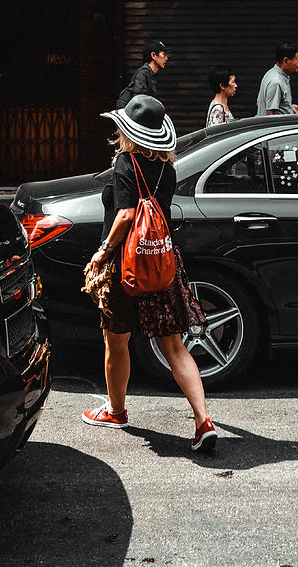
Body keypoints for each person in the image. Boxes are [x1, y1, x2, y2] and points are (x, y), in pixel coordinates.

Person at [82, 95, 217, 452]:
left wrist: (102, 252)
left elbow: (126, 215)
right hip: (160, 262)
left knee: (117, 340)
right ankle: (203, 420)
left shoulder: (126, 164)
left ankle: (116, 410)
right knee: (173, 344)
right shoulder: (168, 169)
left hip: (125, 266)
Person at [116, 40, 168, 109]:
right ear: (153, 55)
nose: (166, 58)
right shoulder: (143, 73)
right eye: (163, 54)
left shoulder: (151, 74)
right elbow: (139, 101)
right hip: (127, 113)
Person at [256, 42, 298, 115]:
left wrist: (289, 108)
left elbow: (260, 103)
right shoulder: (276, 82)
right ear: (285, 60)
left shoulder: (272, 73)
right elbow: (271, 115)